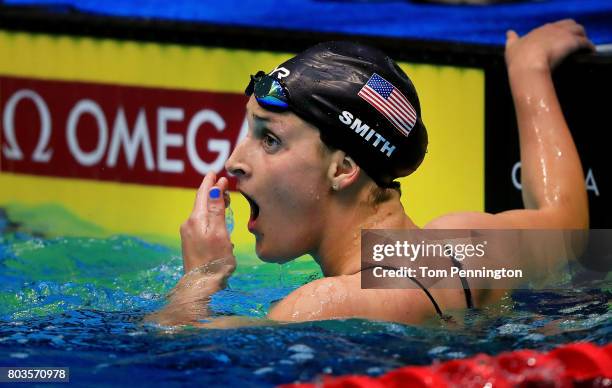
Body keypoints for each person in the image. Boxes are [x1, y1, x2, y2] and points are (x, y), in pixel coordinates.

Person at [147, 20, 593, 327]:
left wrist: (200, 277)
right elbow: (569, 223)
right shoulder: (470, 243)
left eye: (270, 139)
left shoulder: (320, 306)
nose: (234, 162)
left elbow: (175, 356)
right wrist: (529, 70)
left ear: (343, 168)